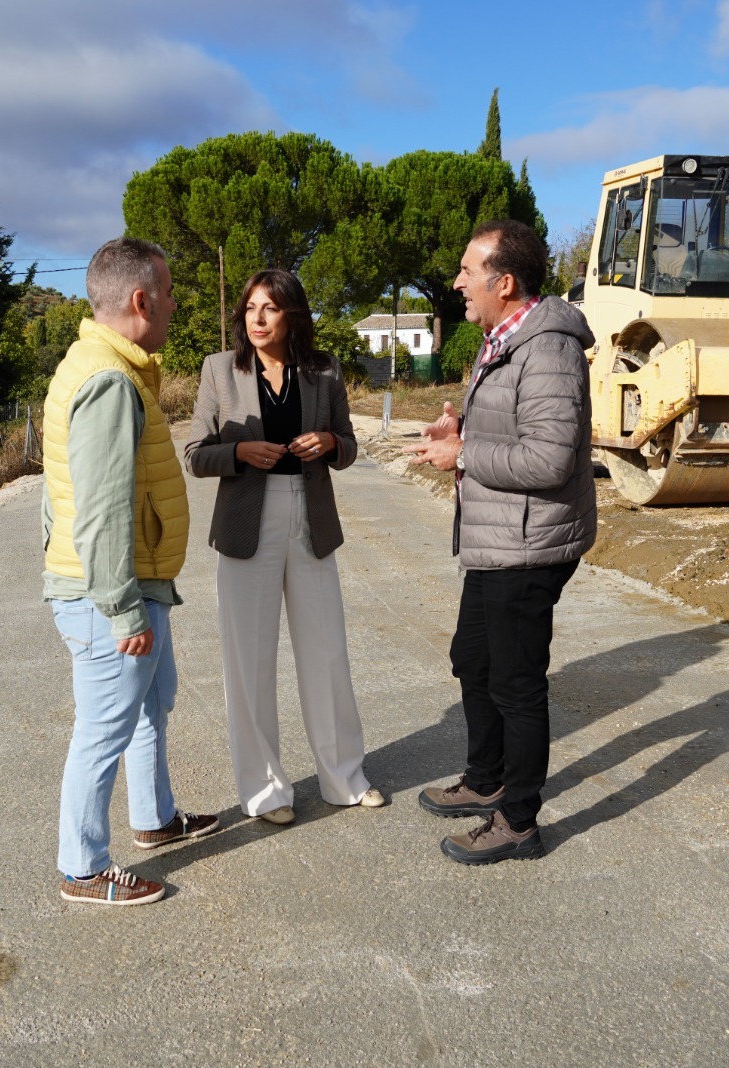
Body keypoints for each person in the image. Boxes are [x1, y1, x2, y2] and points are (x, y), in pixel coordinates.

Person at [402, 220, 596, 865]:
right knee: (472, 660)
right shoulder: (505, 338)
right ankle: (485, 779)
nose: (457, 281)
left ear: (504, 282)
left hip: (529, 541)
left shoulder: (548, 347)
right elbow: (512, 423)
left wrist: (463, 452)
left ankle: (518, 820)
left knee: (515, 682)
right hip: (496, 536)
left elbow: (548, 459)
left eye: (467, 270)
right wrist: (460, 423)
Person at [42, 237, 219, 906]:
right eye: (170, 292)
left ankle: (154, 818)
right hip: (111, 593)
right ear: (142, 299)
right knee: (103, 729)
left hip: (135, 584)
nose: (175, 304)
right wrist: (118, 608)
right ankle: (82, 868)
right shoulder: (108, 381)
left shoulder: (100, 365)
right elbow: (100, 508)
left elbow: (55, 492)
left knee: (151, 704)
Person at [185, 269, 385, 824]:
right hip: (247, 521)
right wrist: (240, 451)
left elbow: (348, 446)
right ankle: (266, 791)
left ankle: (344, 778)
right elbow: (195, 454)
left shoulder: (323, 370)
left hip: (310, 515)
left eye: (270, 308)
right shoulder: (219, 370)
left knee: (327, 652)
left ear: (291, 313)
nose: (257, 318)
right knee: (248, 663)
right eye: (250, 308)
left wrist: (329, 443)